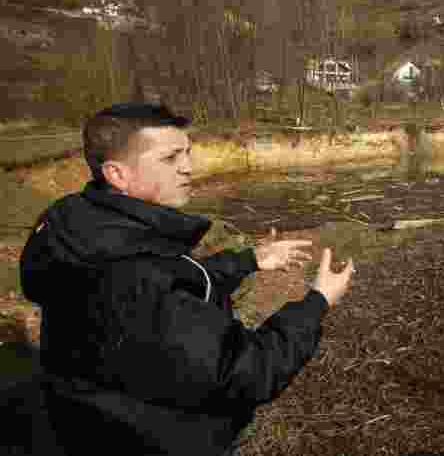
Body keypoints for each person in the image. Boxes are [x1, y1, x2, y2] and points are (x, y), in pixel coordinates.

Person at [17, 102, 355, 455]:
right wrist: (317, 302)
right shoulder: (132, 273)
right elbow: (245, 372)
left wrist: (248, 260)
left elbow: (172, 280)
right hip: (155, 439)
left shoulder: (79, 225)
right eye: (170, 158)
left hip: (91, 422)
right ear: (117, 174)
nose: (189, 168)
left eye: (188, 153)